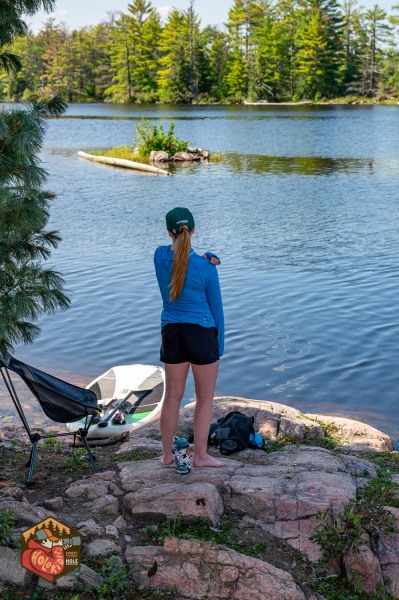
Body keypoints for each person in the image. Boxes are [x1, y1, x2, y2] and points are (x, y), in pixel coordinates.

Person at [154, 207, 225, 468]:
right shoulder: (206, 267)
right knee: (205, 398)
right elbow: (217, 309)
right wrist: (220, 345)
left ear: (169, 233)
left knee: (172, 396)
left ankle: (165, 455)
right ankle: (201, 456)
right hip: (202, 333)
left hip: (172, 332)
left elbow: (173, 252)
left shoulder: (159, 257)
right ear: (193, 230)